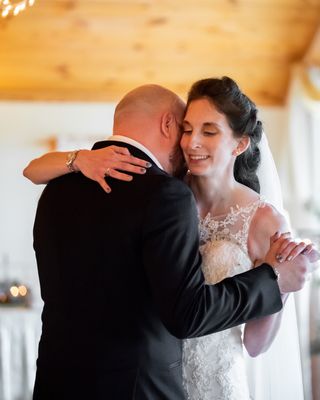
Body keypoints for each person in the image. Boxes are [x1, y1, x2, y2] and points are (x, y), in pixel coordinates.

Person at [25, 83, 314, 400]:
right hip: (144, 386)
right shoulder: (167, 193)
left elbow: (255, 345)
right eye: (186, 129)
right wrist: (272, 279)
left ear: (239, 144)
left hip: (60, 382)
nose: (190, 142)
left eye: (208, 131)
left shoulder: (57, 189)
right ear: (168, 125)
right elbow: (185, 313)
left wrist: (77, 159)